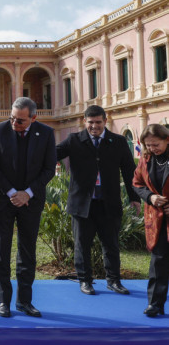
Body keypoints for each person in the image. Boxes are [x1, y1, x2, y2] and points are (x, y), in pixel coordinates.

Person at [56, 105, 139, 295]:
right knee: (82, 245)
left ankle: (114, 281)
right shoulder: (74, 140)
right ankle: (85, 281)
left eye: (98, 122)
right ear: (84, 122)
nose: (94, 126)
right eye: (90, 122)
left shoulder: (117, 142)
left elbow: (129, 171)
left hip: (109, 204)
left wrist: (134, 198)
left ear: (105, 121)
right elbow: (50, 156)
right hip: (82, 205)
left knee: (111, 244)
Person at [0, 97, 56, 318]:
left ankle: (24, 301)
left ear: (34, 118)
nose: (15, 123)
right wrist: (13, 193)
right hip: (2, 199)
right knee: (1, 251)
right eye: (12, 118)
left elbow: (48, 169)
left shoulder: (46, 133)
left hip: (30, 201)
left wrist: (27, 193)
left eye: (21, 121)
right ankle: (3, 301)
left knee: (27, 252)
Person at [132, 124, 169, 317]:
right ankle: (155, 304)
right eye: (148, 145)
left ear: (167, 139)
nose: (152, 148)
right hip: (157, 219)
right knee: (158, 262)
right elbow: (137, 183)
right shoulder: (146, 159)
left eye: (156, 144)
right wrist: (150, 197)